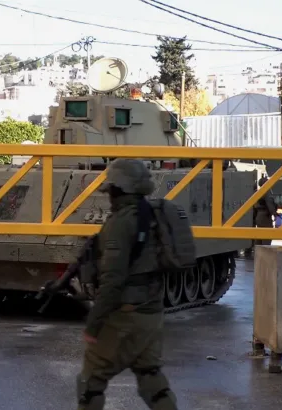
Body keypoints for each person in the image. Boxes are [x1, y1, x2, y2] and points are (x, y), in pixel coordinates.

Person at [77, 158, 178, 410]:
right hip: (151, 313)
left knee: (90, 381)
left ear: (118, 189)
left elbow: (113, 280)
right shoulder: (151, 213)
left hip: (126, 315)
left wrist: (94, 323)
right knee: (151, 378)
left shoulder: (121, 222)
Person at [253, 175, 279, 247]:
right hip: (265, 216)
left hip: (258, 216)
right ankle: (265, 250)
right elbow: (270, 204)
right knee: (267, 235)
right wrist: (274, 214)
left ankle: (258, 250)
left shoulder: (257, 192)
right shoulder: (266, 193)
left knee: (259, 235)